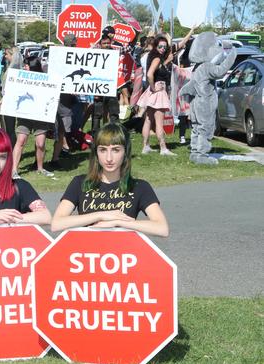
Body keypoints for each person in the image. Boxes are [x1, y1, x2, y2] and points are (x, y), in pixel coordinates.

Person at [51, 123, 169, 237]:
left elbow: (162, 228)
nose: (109, 158)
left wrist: (119, 223)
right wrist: (101, 215)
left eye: (116, 150)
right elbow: (56, 224)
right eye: (103, 150)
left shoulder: (139, 187)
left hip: (123, 254)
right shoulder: (80, 183)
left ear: (125, 152)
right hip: (87, 254)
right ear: (96, 153)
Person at [180, 32, 237, 165]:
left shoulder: (198, 66)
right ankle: (202, 155)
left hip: (195, 103)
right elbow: (221, 71)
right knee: (206, 128)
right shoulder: (207, 66)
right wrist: (232, 55)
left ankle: (195, 152)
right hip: (204, 102)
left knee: (196, 128)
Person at [11, 56, 53, 178]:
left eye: (26, 65)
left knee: (40, 143)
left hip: (40, 115)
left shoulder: (46, 79)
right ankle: (14, 170)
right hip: (24, 115)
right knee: (21, 141)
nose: (24, 67)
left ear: (33, 66)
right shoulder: (20, 78)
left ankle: (40, 168)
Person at [136, 35, 176, 156]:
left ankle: (145, 146)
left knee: (148, 120)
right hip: (157, 91)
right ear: (155, 46)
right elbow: (149, 74)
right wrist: (154, 87)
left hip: (153, 91)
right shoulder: (157, 58)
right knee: (159, 122)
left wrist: (191, 32)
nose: (163, 48)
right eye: (160, 46)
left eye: (165, 46)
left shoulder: (153, 56)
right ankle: (163, 148)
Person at [91, 35, 120, 136]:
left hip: (111, 86)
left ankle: (114, 132)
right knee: (97, 113)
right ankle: (95, 134)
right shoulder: (95, 54)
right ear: (100, 44)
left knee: (114, 111)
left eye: (108, 43)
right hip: (98, 86)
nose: (107, 45)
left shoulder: (114, 53)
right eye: (104, 43)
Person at [0, 47, 23, 147]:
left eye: (7, 54)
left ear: (12, 56)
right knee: (9, 127)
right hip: (10, 99)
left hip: (10, 101)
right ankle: (12, 147)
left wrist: (2, 100)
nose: (5, 56)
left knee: (9, 128)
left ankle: (12, 148)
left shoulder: (13, 70)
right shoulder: (15, 68)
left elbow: (11, 89)